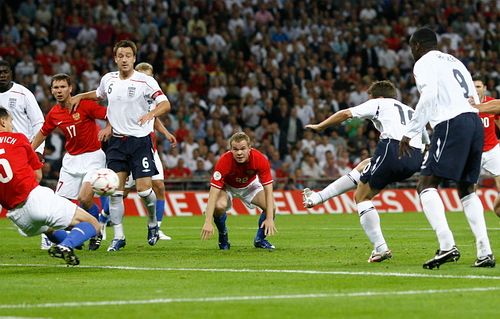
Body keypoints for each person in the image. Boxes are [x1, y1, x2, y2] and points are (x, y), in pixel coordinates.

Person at [399, 27, 495, 269]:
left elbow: (429, 96)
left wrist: (410, 133)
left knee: (426, 183)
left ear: (418, 46)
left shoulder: (423, 63)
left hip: (452, 122)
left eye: (412, 47)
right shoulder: (455, 61)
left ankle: (446, 246)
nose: (412, 52)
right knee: (466, 188)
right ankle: (485, 252)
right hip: (474, 123)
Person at [305, 80, 427, 262]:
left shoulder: (379, 102)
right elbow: (425, 139)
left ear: (378, 96)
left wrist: (321, 126)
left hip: (393, 148)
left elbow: (346, 113)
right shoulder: (409, 110)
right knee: (365, 165)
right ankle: (317, 198)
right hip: (415, 157)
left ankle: (381, 248)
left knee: (361, 197)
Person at [71, 40, 171, 251]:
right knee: (116, 193)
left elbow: (165, 103)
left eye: (128, 55)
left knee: (145, 191)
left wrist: (151, 114)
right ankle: (119, 237)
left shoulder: (146, 81)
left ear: (134, 58)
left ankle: (152, 223)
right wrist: (80, 95)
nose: (124, 59)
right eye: (120, 56)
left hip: (140, 142)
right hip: (117, 142)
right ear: (115, 58)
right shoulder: (108, 79)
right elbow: (99, 95)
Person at [0, 107, 100, 266]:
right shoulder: (18, 139)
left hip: (17, 216)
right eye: (11, 121)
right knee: (93, 223)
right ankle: (66, 245)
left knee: (49, 229)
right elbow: (38, 175)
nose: (12, 125)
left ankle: (71, 242)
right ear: (2, 121)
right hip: (34, 198)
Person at [31, 73, 108, 251]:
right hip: (71, 160)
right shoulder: (54, 113)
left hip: (93, 157)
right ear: (51, 90)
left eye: (62, 87)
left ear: (70, 88)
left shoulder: (85, 104)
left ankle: (96, 230)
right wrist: (29, 150)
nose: (59, 91)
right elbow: (43, 132)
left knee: (84, 199)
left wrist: (109, 127)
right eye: (55, 88)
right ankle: (78, 235)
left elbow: (109, 115)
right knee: (59, 205)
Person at [119, 62, 177, 241]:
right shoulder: (131, 97)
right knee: (122, 192)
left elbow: (154, 118)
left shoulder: (153, 97)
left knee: (159, 186)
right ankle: (106, 223)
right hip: (130, 148)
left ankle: (157, 228)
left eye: (149, 77)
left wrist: (166, 133)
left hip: (150, 149)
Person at [0, 60, 48, 249]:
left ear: (11, 73)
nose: (2, 75)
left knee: (33, 198)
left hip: (23, 153)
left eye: (5, 71)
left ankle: (47, 234)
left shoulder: (22, 93)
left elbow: (38, 122)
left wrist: (37, 150)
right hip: (2, 153)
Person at [201, 132, 277, 250]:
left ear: (249, 148)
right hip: (228, 187)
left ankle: (260, 240)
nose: (239, 153)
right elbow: (213, 193)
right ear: (230, 149)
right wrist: (208, 221)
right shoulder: (224, 161)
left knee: (271, 207)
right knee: (219, 206)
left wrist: (269, 218)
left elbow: (268, 189)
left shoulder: (259, 159)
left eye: (243, 149)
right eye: (235, 149)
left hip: (250, 186)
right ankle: (223, 236)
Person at [473, 76, 500, 218]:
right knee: (470, 192)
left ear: (485, 88)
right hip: (473, 153)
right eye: (474, 87)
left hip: (492, 149)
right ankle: (477, 223)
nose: (476, 89)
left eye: (478, 86)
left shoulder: (492, 104)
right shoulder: (465, 105)